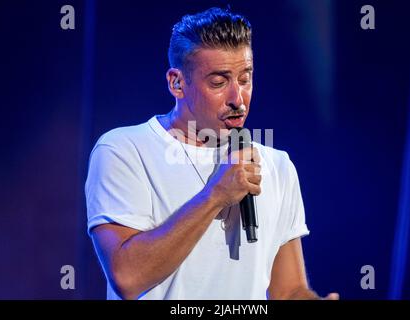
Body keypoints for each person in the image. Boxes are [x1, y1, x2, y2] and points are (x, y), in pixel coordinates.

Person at [85, 7, 339, 300]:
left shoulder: (277, 165)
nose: (237, 99)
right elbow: (128, 278)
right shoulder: (124, 150)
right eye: (219, 82)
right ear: (177, 83)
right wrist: (215, 195)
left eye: (245, 79)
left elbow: (288, 290)